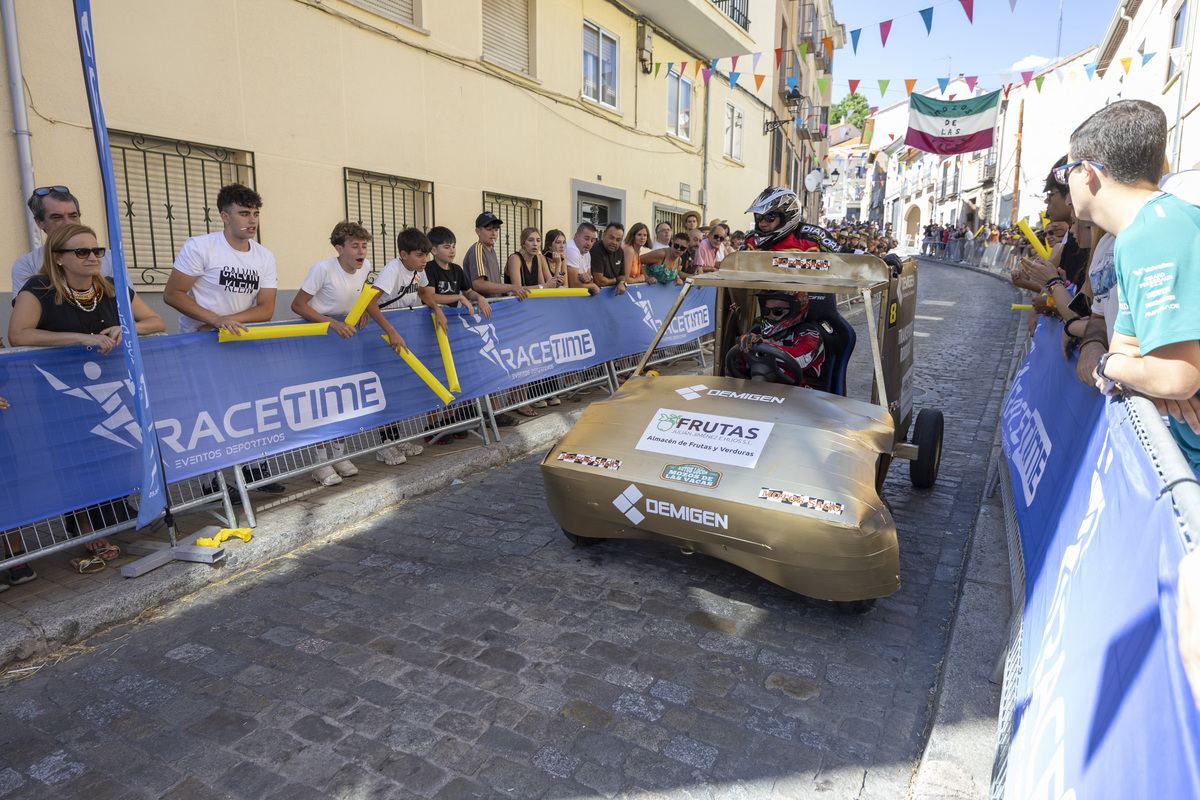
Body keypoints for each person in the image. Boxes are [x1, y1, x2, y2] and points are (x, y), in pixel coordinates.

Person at [8, 222, 165, 578]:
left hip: (113, 388)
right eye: (82, 252)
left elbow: (155, 321)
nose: (93, 257)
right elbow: (18, 333)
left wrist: (128, 329)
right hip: (62, 392)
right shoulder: (39, 288)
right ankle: (83, 530)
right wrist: (78, 338)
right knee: (74, 457)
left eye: (97, 251)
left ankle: (108, 520)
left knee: (111, 451)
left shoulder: (109, 288)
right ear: (59, 258)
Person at [1064, 100, 1200, 470]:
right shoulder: (1138, 232)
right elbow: (1127, 350)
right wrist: (1128, 367)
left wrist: (1112, 365)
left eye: (1067, 171)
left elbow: (1174, 377)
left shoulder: (1154, 232)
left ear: (1088, 172)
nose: (1067, 183)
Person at [163, 183, 284, 493]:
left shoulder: (264, 256)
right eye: (244, 213)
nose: (252, 220)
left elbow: (266, 309)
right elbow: (172, 294)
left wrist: (224, 324)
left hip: (239, 343)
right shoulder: (200, 247)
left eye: (255, 213)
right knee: (208, 411)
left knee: (247, 406)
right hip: (199, 344)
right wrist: (214, 321)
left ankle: (254, 468)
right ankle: (211, 482)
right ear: (224, 216)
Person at [291, 222, 411, 482]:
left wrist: (362, 309)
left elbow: (362, 294)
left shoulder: (365, 267)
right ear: (339, 248)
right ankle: (320, 462)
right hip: (319, 339)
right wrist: (332, 323)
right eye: (355, 246)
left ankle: (340, 455)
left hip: (344, 340)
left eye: (364, 246)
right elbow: (297, 305)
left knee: (343, 397)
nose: (361, 251)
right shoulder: (322, 269)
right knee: (321, 401)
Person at [11, 185, 112, 296]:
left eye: (73, 215)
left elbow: (126, 304)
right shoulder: (27, 264)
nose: (67, 223)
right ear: (39, 222)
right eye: (57, 217)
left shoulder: (109, 258)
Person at [729, 291, 825, 388]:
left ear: (794, 310)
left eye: (777, 311)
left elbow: (800, 359)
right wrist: (743, 349)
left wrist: (761, 348)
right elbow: (736, 364)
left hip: (804, 396)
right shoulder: (757, 331)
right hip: (763, 392)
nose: (771, 316)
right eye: (766, 311)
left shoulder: (809, 333)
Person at [464, 212, 528, 301]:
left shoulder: (492, 251)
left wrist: (506, 292)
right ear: (477, 231)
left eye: (496, 230)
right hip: (481, 309)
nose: (493, 233)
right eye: (489, 229)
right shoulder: (477, 250)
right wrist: (511, 287)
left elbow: (494, 284)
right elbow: (478, 284)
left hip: (495, 306)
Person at [505, 227, 560, 292]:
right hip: (515, 301)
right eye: (530, 240)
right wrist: (545, 285)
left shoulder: (537, 258)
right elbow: (518, 289)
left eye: (538, 240)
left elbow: (543, 286)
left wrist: (558, 263)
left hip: (532, 300)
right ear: (523, 243)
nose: (535, 244)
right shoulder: (515, 258)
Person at [589, 222, 627, 294]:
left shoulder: (620, 251)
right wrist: (616, 280)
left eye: (618, 240)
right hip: (595, 295)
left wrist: (622, 283)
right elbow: (599, 281)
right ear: (604, 235)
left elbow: (622, 275)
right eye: (611, 238)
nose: (614, 242)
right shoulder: (596, 249)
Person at [564, 223, 600, 294]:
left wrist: (589, 278)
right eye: (586, 239)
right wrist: (593, 286)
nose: (589, 243)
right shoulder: (571, 249)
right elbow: (573, 285)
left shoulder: (586, 252)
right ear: (576, 237)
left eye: (592, 240)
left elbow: (589, 279)